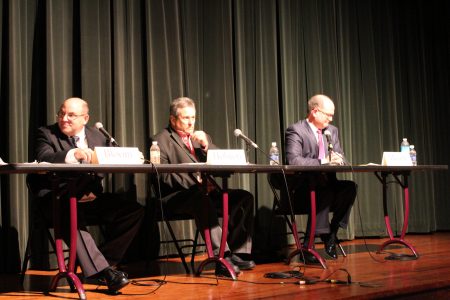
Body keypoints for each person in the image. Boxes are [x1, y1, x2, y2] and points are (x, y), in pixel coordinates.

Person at [30, 97, 145, 293]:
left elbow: (112, 157)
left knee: (133, 211)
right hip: (56, 200)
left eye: (71, 115)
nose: (64, 118)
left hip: (89, 197)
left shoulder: (98, 136)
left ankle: (103, 265)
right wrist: (73, 154)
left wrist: (134, 157)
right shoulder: (46, 133)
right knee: (69, 209)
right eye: (61, 113)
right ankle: (106, 273)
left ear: (85, 118)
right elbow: (44, 157)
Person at [152, 97, 255, 277]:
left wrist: (207, 145)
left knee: (243, 198)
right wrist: (197, 183)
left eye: (193, 117)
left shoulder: (201, 138)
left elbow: (221, 162)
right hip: (176, 197)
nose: (191, 122)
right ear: (173, 119)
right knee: (202, 199)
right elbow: (163, 177)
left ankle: (238, 252)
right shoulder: (160, 140)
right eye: (185, 118)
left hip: (205, 193)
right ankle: (220, 257)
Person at [285, 94, 356, 263]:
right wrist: (323, 162)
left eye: (332, 115)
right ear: (315, 111)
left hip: (328, 184)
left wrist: (339, 161)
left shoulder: (332, 131)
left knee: (350, 188)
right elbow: (293, 161)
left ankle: (331, 232)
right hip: (302, 188)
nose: (331, 119)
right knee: (323, 190)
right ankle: (309, 245)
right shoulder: (296, 130)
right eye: (328, 114)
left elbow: (341, 157)